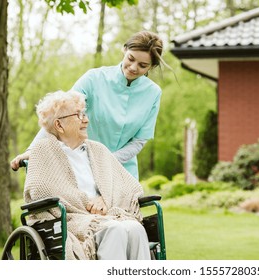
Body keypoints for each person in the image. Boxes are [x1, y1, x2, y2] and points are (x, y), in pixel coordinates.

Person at [11, 30, 170, 179]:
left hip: (123, 171)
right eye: (131, 58)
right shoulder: (94, 78)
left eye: (143, 65)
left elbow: (139, 141)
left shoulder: (153, 93)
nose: (134, 67)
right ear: (124, 50)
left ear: (152, 66)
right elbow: (59, 114)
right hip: (83, 166)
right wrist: (32, 150)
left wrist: (107, 162)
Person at [24, 90, 151, 260]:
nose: (86, 119)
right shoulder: (43, 150)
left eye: (84, 114)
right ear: (59, 125)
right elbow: (40, 190)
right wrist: (86, 204)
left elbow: (128, 186)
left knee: (135, 229)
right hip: (72, 220)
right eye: (78, 115)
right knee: (114, 229)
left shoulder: (98, 149)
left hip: (107, 214)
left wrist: (105, 198)